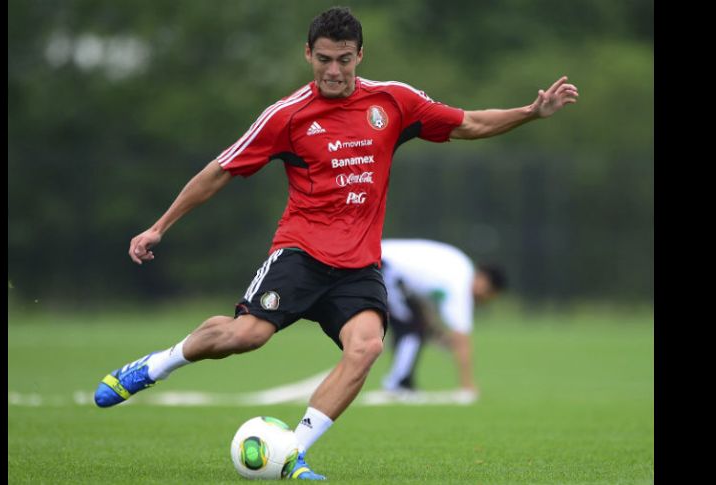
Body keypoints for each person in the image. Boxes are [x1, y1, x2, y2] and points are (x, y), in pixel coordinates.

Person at [92, 6, 578, 480]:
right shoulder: (286, 116)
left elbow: (468, 123)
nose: (334, 70)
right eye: (324, 59)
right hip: (300, 254)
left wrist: (531, 112)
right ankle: (158, 364)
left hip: (358, 266)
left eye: (344, 59)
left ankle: (293, 453)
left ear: (360, 55)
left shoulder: (393, 102)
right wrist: (159, 226)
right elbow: (220, 171)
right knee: (246, 337)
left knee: (366, 348)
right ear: (308, 54)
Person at [379, 239, 506, 403]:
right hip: (382, 265)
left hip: (382, 262)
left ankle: (401, 383)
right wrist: (467, 385)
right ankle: (398, 385)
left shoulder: (459, 269)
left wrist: (436, 333)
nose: (484, 300)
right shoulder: (459, 285)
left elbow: (422, 305)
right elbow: (462, 339)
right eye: (488, 295)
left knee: (413, 325)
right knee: (411, 330)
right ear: (484, 281)